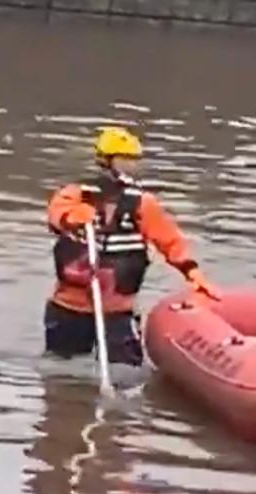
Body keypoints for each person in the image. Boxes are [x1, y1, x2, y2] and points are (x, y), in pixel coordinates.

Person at [45, 126, 220, 366]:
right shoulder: (74, 195)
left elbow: (169, 239)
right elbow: (56, 214)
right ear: (106, 160)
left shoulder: (141, 203)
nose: (131, 166)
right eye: (124, 160)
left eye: (133, 160)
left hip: (117, 309)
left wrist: (192, 272)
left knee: (126, 369)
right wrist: (72, 217)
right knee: (62, 366)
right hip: (70, 306)